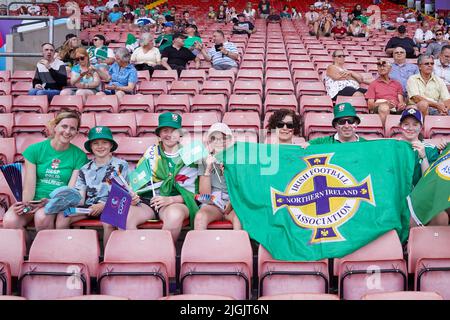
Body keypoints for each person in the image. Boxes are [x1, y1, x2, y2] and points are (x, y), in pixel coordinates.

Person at [2, 110, 88, 231]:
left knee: (42, 217)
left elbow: (70, 191)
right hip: (34, 200)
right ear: (55, 127)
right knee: (10, 221)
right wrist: (25, 204)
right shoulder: (34, 150)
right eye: (64, 126)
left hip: (56, 202)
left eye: (72, 128)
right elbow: (29, 185)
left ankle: (47, 249)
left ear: (76, 132)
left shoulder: (79, 156)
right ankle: (26, 248)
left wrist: (49, 202)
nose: (68, 131)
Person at [126, 112, 199, 242]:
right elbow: (136, 182)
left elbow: (196, 192)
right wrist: (133, 195)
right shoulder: (151, 153)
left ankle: (162, 255)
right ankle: (138, 255)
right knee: (125, 216)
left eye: (174, 131)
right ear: (159, 134)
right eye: (165, 130)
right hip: (149, 201)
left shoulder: (190, 155)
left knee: (174, 215)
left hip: (175, 202)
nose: (169, 134)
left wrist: (170, 200)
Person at [56, 126, 131, 246]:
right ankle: (65, 251)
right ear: (91, 147)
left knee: (109, 221)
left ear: (111, 145)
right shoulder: (85, 169)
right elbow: (80, 197)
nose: (100, 146)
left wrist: (103, 205)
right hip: (90, 208)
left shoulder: (121, 165)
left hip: (112, 205)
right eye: (95, 143)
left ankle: (109, 256)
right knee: (63, 216)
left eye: (104, 142)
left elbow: (125, 193)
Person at [194, 123, 241, 230]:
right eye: (214, 138)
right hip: (213, 203)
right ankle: (199, 246)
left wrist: (232, 203)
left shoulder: (238, 160)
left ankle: (239, 246)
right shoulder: (204, 160)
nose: (219, 141)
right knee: (200, 217)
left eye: (223, 138)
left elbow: (242, 189)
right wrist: (208, 169)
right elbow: (204, 194)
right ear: (210, 141)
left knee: (239, 218)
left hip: (233, 203)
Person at [302, 102, 367, 147]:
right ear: (335, 125)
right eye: (342, 122)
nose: (346, 126)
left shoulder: (366, 145)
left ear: (356, 123)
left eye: (350, 121)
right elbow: (299, 148)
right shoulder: (322, 142)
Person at [365, 60, 406, 125]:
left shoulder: (397, 84)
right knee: (384, 107)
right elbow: (370, 106)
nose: (381, 68)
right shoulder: (373, 84)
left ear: (390, 69)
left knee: (412, 108)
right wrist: (385, 103)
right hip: (380, 109)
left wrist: (401, 104)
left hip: (395, 109)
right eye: (379, 66)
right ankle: (385, 132)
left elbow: (400, 101)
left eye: (384, 66)